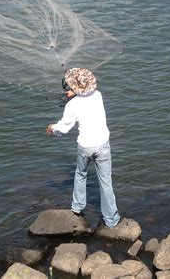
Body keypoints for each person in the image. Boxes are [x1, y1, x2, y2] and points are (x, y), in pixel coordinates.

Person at [46, 68, 120, 228]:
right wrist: (75, 93)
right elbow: (85, 95)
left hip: (85, 145)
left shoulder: (73, 105)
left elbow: (64, 128)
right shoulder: (98, 95)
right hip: (102, 143)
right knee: (106, 182)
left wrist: (52, 128)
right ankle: (112, 220)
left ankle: (78, 207)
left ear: (74, 88)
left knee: (80, 174)